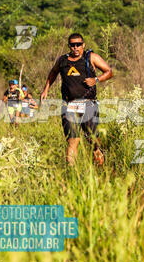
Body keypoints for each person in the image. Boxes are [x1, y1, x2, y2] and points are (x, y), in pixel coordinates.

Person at [40, 33, 113, 165]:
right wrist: (46, 89)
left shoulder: (91, 57)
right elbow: (53, 73)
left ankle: (100, 166)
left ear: (83, 45)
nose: (75, 47)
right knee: (72, 140)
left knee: (92, 139)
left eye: (78, 44)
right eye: (72, 45)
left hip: (89, 104)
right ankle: (72, 175)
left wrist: (96, 80)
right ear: (69, 46)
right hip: (69, 105)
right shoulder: (62, 60)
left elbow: (109, 71)